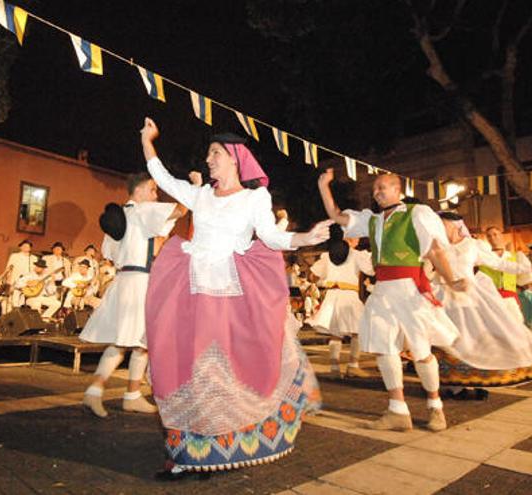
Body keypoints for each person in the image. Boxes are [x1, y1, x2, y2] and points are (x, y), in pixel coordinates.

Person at [141, 118, 330, 478]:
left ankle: (216, 451)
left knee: (221, 370)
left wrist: (305, 238)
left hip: (232, 293)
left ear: (234, 159)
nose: (209, 159)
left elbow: (272, 238)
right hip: (191, 288)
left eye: (215, 154)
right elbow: (163, 178)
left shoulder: (255, 197)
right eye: (209, 153)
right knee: (190, 370)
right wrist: (148, 140)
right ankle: (185, 455)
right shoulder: (201, 195)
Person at [318, 167, 466, 432]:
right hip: (382, 290)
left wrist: (452, 279)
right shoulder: (372, 220)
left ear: (398, 190)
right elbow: (335, 216)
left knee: (421, 350)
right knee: (385, 347)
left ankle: (435, 407)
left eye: (382, 187)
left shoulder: (416, 213)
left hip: (410, 290)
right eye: (374, 188)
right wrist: (324, 186)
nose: (377, 192)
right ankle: (398, 410)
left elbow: (434, 249)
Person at [79, 172, 185, 419]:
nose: (155, 195)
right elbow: (180, 211)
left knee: (133, 341)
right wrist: (194, 190)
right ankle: (101, 391)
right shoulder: (142, 211)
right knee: (133, 340)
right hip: (139, 281)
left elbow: (111, 252)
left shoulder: (120, 217)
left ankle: (127, 395)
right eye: (153, 189)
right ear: (140, 191)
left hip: (123, 280)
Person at [431, 213, 532, 396]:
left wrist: (527, 268)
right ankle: (454, 383)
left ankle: (477, 381)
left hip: (468, 295)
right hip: (443, 296)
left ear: (455, 225)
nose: (437, 227)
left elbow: (499, 264)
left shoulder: (473, 246)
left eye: (441, 223)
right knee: (449, 339)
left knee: (472, 338)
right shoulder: (436, 246)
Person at [307, 232, 374, 378]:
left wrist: (325, 279)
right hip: (349, 295)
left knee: (335, 334)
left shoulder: (328, 255)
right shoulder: (357, 255)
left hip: (332, 294)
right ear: (353, 239)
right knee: (357, 331)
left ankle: (334, 368)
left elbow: (313, 275)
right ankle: (352, 366)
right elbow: (371, 270)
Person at [479, 226, 532, 323]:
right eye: (489, 236)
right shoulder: (482, 257)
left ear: (501, 236)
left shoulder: (515, 256)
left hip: (509, 294)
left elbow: (524, 277)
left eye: (495, 234)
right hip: (490, 295)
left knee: (516, 324)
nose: (492, 238)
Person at [6, 239, 38, 309]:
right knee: (14, 301)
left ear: (30, 248)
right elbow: (9, 269)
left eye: (28, 246)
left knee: (22, 302)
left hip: (27, 283)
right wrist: (9, 281)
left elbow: (35, 271)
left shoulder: (34, 258)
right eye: (24, 246)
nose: (26, 247)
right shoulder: (14, 256)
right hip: (16, 281)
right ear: (20, 247)